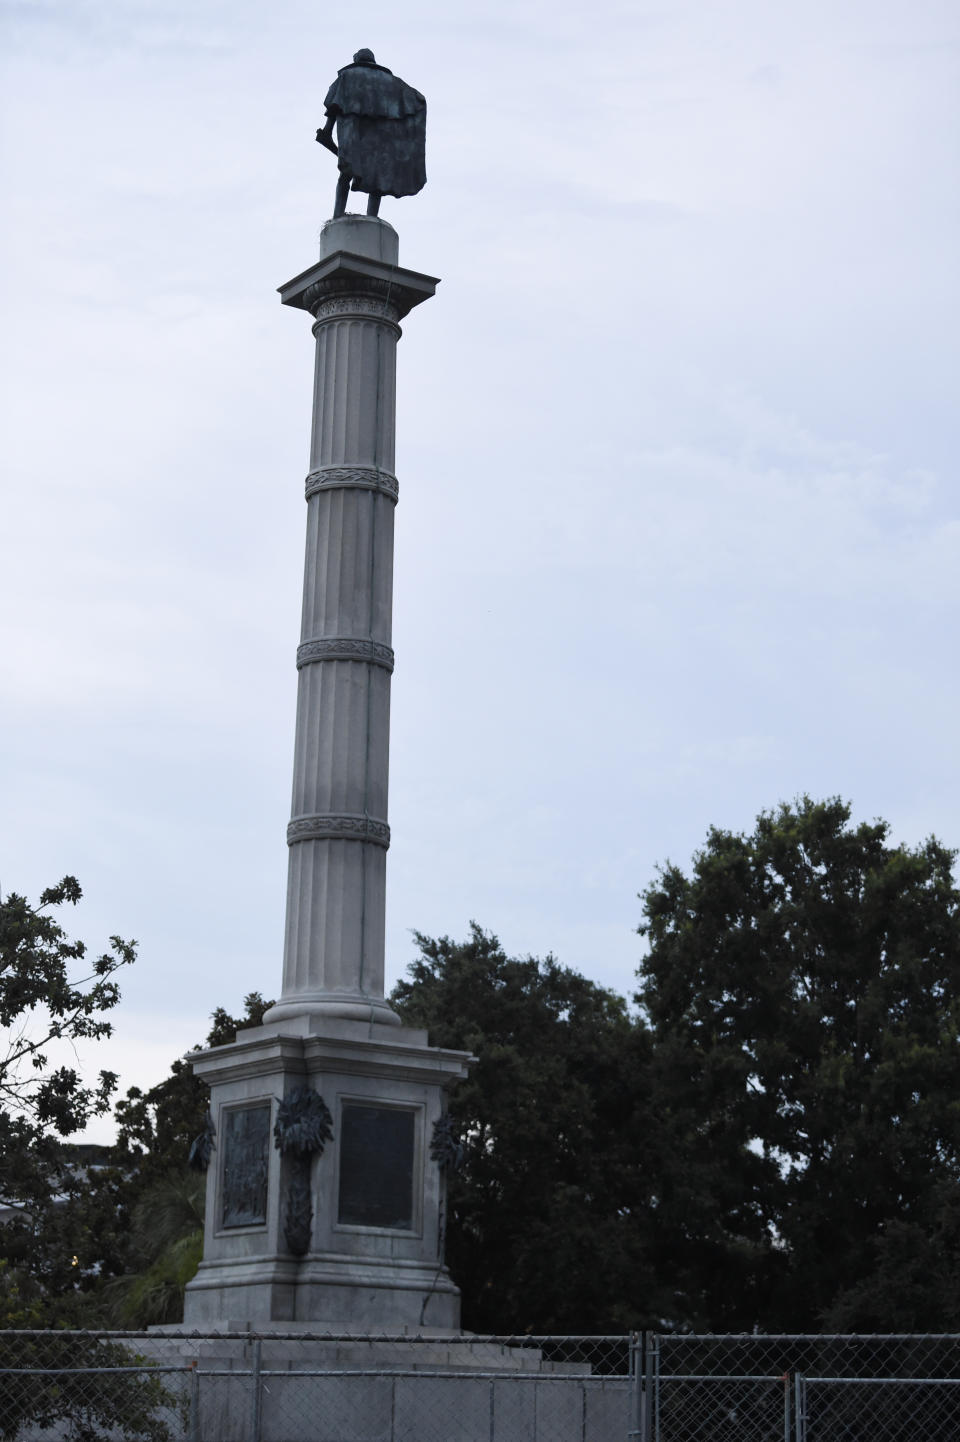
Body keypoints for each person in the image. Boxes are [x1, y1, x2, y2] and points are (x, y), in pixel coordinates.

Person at [317, 50, 427, 219]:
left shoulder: (347, 75)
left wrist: (327, 130)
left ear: (356, 60)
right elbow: (417, 99)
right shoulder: (392, 83)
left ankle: (338, 214)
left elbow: (334, 105)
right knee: (377, 177)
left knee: (345, 173)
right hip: (378, 138)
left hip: (353, 132)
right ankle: (372, 217)